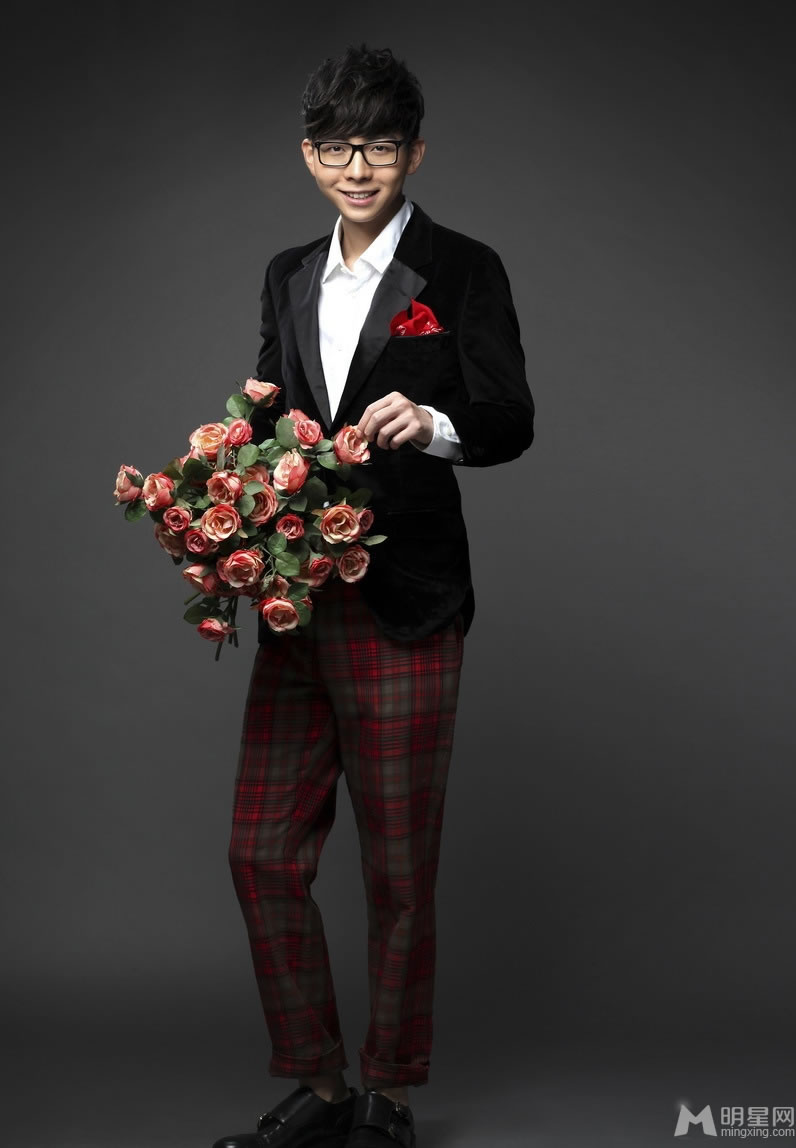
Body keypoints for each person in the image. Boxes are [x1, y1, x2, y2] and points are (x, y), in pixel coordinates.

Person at [213, 43, 534, 1148]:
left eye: (381, 148)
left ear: (415, 154)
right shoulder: (287, 272)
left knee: (397, 870)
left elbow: (509, 417)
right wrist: (222, 482)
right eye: (339, 148)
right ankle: (318, 1081)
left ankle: (387, 1094)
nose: (359, 168)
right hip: (300, 597)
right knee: (261, 853)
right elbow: (270, 410)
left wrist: (432, 424)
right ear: (310, 155)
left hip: (407, 596)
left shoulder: (463, 268)